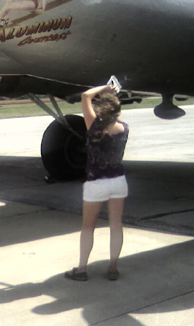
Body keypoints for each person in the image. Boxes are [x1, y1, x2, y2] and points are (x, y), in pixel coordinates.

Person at [65, 84, 129, 282]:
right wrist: (112, 92)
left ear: (100, 110)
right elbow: (113, 116)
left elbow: (85, 96)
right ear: (118, 110)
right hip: (118, 181)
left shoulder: (94, 127)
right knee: (116, 225)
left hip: (96, 183)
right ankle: (113, 268)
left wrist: (103, 88)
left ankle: (82, 269)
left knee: (88, 227)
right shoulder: (124, 128)